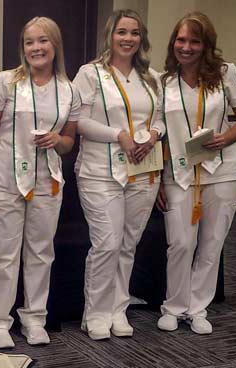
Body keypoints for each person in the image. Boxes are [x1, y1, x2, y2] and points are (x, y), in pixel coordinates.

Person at [0, 17, 79, 348]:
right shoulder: (5, 82)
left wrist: (58, 139)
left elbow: (70, 143)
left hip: (47, 183)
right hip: (3, 180)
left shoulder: (69, 89)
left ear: (55, 45)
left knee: (41, 253)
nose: (36, 48)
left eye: (42, 41)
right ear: (22, 47)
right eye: (29, 42)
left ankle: (34, 318)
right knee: (4, 254)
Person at [155, 12, 236, 334]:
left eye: (194, 41)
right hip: (180, 172)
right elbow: (158, 133)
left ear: (206, 45)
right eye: (181, 40)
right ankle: (174, 306)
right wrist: (157, 177)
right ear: (173, 43)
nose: (186, 47)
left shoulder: (226, 74)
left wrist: (226, 137)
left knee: (211, 243)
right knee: (181, 243)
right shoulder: (162, 82)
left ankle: (197, 308)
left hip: (222, 171)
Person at [72, 9, 165, 340]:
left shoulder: (153, 77)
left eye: (135, 33)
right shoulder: (90, 73)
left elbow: (161, 118)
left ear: (142, 39)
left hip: (142, 169)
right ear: (109, 36)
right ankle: (95, 314)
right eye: (122, 32)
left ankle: (118, 308)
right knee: (107, 243)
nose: (128, 39)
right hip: (100, 171)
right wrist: (118, 135)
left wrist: (153, 135)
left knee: (128, 243)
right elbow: (78, 121)